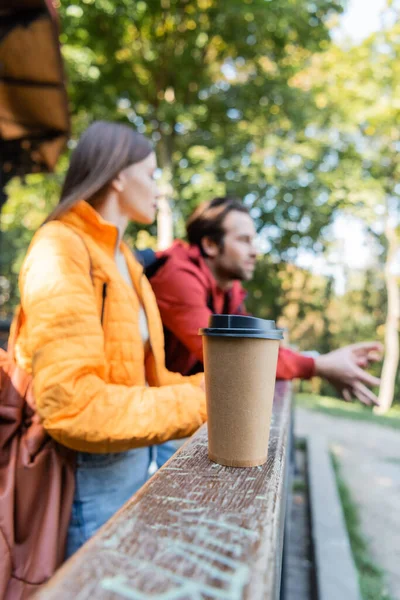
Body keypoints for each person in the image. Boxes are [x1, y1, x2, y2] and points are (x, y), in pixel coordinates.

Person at [13, 121, 206, 557]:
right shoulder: (60, 247)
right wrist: (204, 400)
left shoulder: (122, 258)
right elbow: (71, 405)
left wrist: (213, 390)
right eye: (152, 175)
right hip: (87, 476)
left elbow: (146, 381)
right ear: (118, 174)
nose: (160, 189)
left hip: (133, 460)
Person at [149, 196, 382, 465]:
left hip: (190, 407)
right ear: (210, 244)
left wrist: (321, 361)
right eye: (244, 240)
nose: (254, 251)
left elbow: (256, 349)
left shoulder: (228, 291)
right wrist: (319, 365)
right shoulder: (176, 276)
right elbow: (234, 358)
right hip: (156, 416)